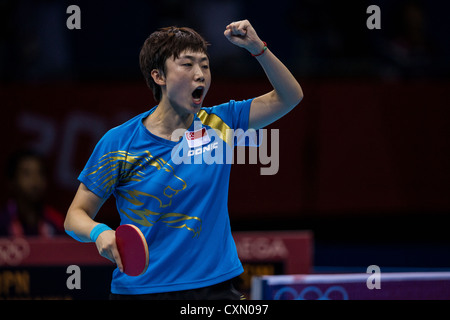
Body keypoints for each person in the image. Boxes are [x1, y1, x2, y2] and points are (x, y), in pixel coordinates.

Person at [64, 20, 303, 299]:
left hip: (214, 289)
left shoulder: (220, 122)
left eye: (204, 64)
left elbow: (290, 97)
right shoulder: (119, 143)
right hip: (142, 290)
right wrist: (100, 233)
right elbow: (75, 216)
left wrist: (256, 48)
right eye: (187, 65)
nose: (200, 74)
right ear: (159, 76)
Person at [0, 150, 65, 237]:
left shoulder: (56, 221)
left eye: (40, 173)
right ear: (12, 181)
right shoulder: (3, 221)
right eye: (27, 174)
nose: (35, 182)